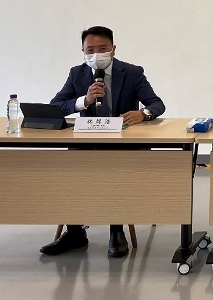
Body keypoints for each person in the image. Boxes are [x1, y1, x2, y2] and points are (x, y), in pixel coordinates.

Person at [42, 25, 166, 259]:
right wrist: (84, 100)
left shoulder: (132, 72)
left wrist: (144, 114)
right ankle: (75, 232)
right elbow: (55, 106)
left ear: (113, 49)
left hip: (123, 143)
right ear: (83, 51)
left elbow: (157, 104)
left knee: (115, 170)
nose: (96, 54)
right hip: (87, 141)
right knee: (67, 169)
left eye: (102, 48)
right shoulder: (77, 74)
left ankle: (116, 230)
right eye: (90, 50)